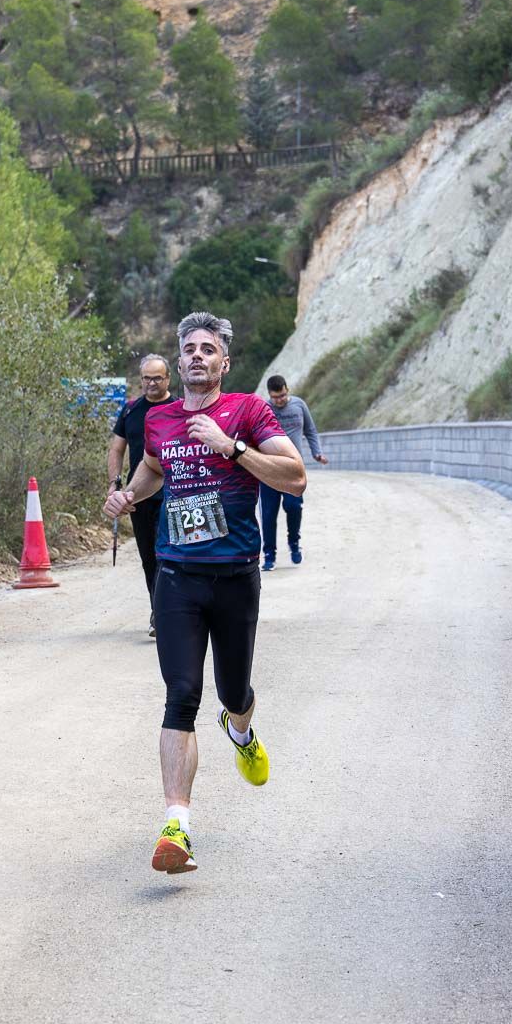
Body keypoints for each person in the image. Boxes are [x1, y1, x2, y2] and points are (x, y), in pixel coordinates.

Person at [103, 312, 306, 874]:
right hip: (178, 576)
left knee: (232, 690)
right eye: (188, 347)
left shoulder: (249, 411)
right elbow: (151, 471)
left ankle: (239, 729)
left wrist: (232, 447)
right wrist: (128, 498)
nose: (196, 355)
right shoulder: (160, 420)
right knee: (181, 693)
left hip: (237, 575)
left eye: (207, 349)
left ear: (224, 362)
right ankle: (177, 827)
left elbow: (294, 477)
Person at [108, 356, 176, 637]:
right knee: (149, 557)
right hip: (139, 495)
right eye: (146, 378)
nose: (151, 383)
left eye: (157, 378)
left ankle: (165, 614)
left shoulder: (180, 408)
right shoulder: (131, 410)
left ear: (168, 379)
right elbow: (116, 449)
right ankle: (157, 612)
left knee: (167, 556)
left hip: (173, 493)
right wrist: (115, 484)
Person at [260, 374, 328, 570]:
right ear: (270, 395)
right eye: (275, 397)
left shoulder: (299, 405)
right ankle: (269, 556)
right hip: (269, 469)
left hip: (293, 470)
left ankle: (294, 544)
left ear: (287, 390)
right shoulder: (264, 409)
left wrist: (317, 452)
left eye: (282, 395)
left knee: (294, 507)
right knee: (268, 514)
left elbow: (311, 430)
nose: (279, 400)